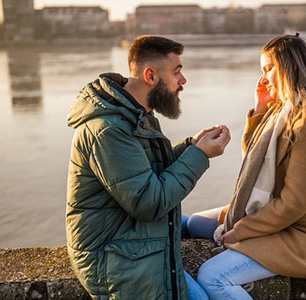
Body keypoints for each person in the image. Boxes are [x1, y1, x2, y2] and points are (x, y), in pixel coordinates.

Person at [66, 35, 230, 300]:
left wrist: (192, 146)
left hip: (130, 240)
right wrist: (199, 156)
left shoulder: (134, 113)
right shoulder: (108, 129)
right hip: (118, 260)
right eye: (177, 72)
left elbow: (146, 172)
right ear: (150, 76)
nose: (183, 81)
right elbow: (149, 201)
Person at [187, 33, 306, 299]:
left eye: (268, 68)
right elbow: (253, 159)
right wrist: (259, 109)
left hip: (302, 234)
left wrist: (242, 232)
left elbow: (294, 203)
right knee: (194, 225)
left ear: (290, 66)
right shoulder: (282, 108)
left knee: (212, 276)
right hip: (273, 214)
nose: (264, 77)